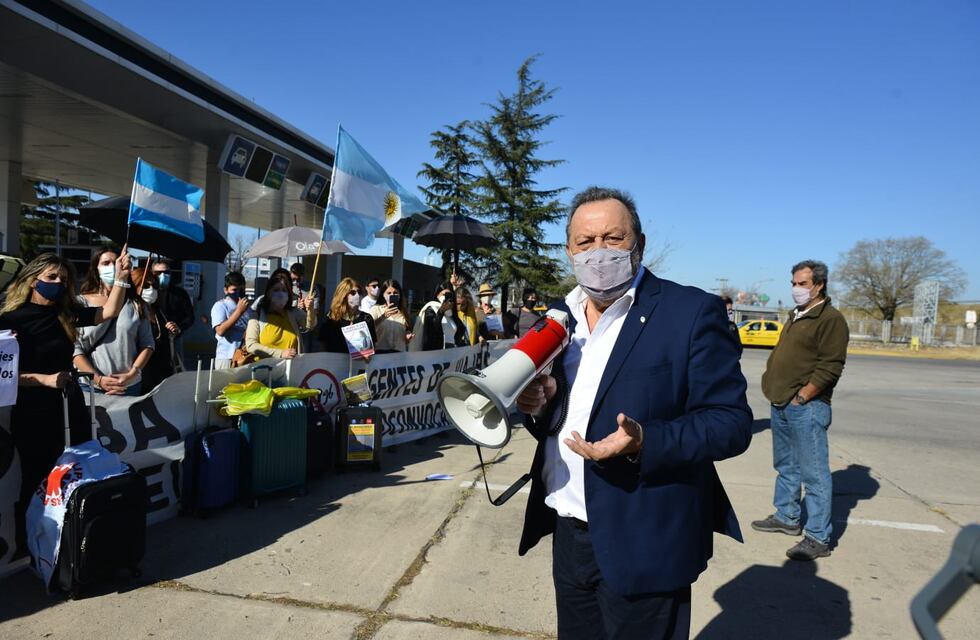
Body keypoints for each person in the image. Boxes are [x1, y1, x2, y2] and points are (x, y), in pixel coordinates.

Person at [515, 186, 752, 639]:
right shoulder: (558, 317)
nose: (598, 252)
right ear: (569, 251)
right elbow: (559, 411)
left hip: (646, 535)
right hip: (569, 533)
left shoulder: (689, 312)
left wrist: (645, 440)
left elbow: (730, 422)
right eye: (585, 243)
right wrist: (539, 406)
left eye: (613, 238)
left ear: (638, 243)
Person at [0, 249, 131, 557]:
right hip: (33, 411)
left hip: (69, 405)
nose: (58, 283)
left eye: (63, 278)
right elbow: (4, 373)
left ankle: (74, 541)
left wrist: (122, 280)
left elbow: (107, 313)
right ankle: (32, 545)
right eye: (51, 277)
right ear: (33, 281)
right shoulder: (10, 321)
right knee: (38, 478)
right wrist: (41, 379)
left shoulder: (66, 313)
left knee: (77, 472)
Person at [752, 260, 849, 562]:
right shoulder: (796, 315)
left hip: (806, 406)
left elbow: (831, 365)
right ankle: (787, 516)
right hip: (781, 401)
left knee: (814, 473)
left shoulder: (830, 319)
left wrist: (805, 395)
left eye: (802, 284)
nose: (796, 289)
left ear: (819, 285)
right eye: (794, 283)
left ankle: (818, 537)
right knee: (786, 465)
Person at [73, 248, 154, 396]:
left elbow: (148, 344)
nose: (112, 267)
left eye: (115, 262)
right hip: (90, 386)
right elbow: (75, 349)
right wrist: (98, 380)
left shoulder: (137, 304)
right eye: (106, 263)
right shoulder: (80, 303)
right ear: (96, 268)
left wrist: (132, 374)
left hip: (129, 386)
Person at [132, 267, 177, 391]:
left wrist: (173, 331)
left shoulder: (160, 311)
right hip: (141, 373)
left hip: (163, 371)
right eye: (146, 285)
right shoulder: (131, 312)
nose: (151, 290)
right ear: (135, 286)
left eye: (154, 286)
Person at [245, 275, 306, 360]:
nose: (280, 294)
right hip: (265, 370)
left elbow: (309, 325)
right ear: (268, 293)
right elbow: (251, 345)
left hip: (292, 370)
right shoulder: (257, 315)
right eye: (276, 290)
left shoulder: (294, 313)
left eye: (284, 290)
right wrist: (280, 353)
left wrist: (310, 309)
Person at [151, 258, 195, 367]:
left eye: (166, 272)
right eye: (158, 272)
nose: (163, 275)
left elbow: (190, 317)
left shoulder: (180, 293)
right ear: (152, 274)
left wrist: (179, 327)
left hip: (174, 339)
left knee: (175, 372)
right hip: (151, 339)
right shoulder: (148, 292)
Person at [317, 277, 377, 354]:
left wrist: (368, 353)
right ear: (343, 295)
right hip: (335, 363)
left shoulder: (366, 318)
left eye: (359, 292)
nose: (357, 295)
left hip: (359, 363)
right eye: (353, 293)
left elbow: (372, 345)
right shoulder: (331, 317)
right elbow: (322, 343)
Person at [211, 272, 251, 369]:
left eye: (241, 289)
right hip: (227, 357)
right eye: (234, 289)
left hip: (245, 356)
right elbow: (220, 331)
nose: (238, 292)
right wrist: (238, 312)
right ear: (226, 290)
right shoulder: (220, 305)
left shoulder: (248, 308)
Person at [409, 281, 465, 351]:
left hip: (450, 353)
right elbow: (432, 330)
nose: (446, 297)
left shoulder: (451, 314)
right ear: (437, 294)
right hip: (435, 354)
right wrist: (441, 311)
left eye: (449, 295)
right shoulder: (431, 308)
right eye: (444, 294)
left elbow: (461, 330)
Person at [369, 279, 411, 353]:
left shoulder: (404, 313)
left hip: (399, 355)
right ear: (383, 295)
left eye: (395, 293)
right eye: (389, 293)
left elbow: (407, 331)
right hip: (380, 353)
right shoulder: (375, 310)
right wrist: (383, 317)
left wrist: (407, 336)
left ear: (400, 294)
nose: (392, 295)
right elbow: (368, 329)